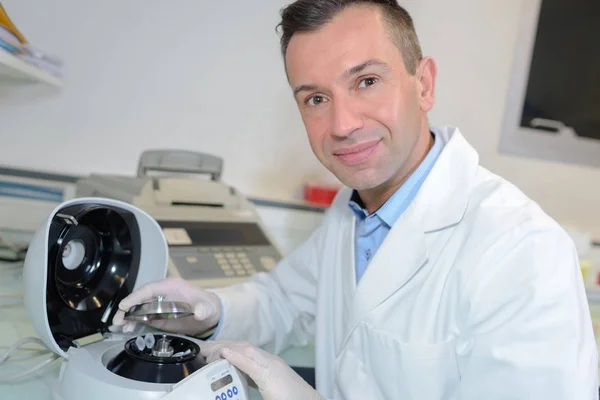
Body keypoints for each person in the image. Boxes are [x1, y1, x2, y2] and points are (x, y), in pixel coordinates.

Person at [111, 0, 599, 398]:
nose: (342, 125)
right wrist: (211, 309)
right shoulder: (354, 208)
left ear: (423, 83)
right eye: (316, 99)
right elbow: (283, 299)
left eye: (366, 81)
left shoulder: (521, 249)